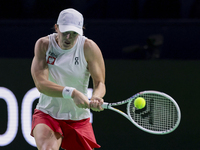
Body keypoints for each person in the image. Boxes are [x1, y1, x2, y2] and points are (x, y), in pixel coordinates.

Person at [30, 8, 106, 150]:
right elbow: (41, 84)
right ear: (56, 28)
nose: (68, 38)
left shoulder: (89, 47)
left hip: (78, 119)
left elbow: (100, 83)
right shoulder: (44, 45)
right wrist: (72, 93)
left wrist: (96, 97)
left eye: (74, 34)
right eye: (65, 33)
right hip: (48, 114)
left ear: (81, 30)